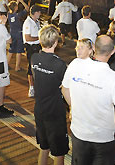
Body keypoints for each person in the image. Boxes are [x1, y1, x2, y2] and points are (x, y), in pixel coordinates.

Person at [62, 35, 115, 165]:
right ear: (113, 51)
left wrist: (73, 107)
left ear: (93, 48)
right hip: (104, 139)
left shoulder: (75, 64)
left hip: (79, 133)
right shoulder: (114, 78)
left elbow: (64, 89)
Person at [31, 25, 69, 165]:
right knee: (59, 153)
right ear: (55, 42)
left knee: (44, 148)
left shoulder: (34, 58)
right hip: (55, 112)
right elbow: (65, 88)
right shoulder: (59, 64)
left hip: (39, 109)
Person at [23, 5, 42, 97]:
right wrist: (40, 38)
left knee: (38, 66)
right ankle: (31, 87)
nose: (40, 14)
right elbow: (27, 38)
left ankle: (37, 86)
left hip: (38, 46)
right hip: (31, 47)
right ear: (36, 13)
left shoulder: (36, 22)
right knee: (31, 67)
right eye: (39, 12)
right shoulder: (28, 23)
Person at [7, 0, 29, 71]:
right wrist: (21, 1)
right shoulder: (18, 15)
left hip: (12, 33)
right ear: (16, 8)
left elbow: (12, 9)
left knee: (11, 50)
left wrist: (17, 2)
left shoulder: (9, 14)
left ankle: (6, 65)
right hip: (19, 34)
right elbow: (27, 8)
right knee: (19, 51)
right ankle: (17, 67)